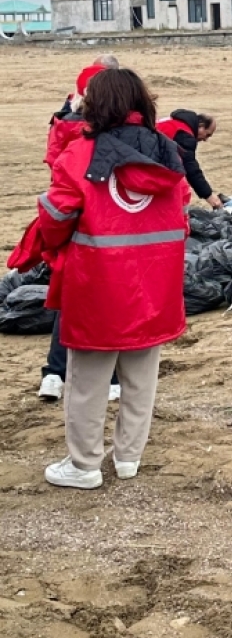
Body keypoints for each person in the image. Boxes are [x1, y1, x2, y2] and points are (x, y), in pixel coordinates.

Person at [18, 67, 188, 489]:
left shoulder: (79, 154)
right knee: (142, 376)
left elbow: (56, 215)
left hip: (97, 282)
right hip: (156, 282)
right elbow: (181, 212)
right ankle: (129, 456)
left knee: (87, 380)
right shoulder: (167, 152)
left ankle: (84, 465)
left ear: (95, 104)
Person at [39, 56, 120, 403]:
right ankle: (111, 378)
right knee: (111, 302)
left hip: (70, 226)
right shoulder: (108, 135)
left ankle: (54, 374)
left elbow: (57, 183)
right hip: (105, 226)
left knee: (68, 301)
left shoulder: (62, 126)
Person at [157, 111, 222, 208]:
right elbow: (191, 169)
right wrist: (209, 196)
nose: (205, 139)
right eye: (207, 134)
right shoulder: (185, 134)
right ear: (201, 126)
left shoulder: (175, 123)